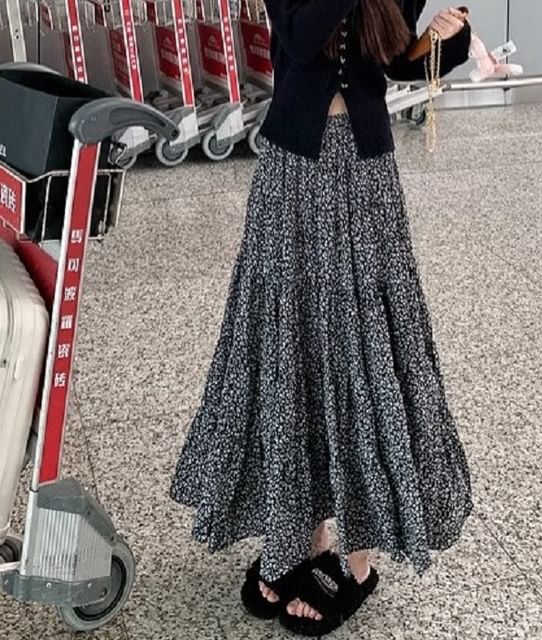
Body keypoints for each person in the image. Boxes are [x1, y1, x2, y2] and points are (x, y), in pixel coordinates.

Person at [171, 1, 473, 635]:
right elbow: (300, 37)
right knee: (292, 345)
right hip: (292, 169)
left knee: (365, 351)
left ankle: (356, 562)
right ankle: (302, 536)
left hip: (364, 171)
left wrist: (445, 40)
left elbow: (393, 61)